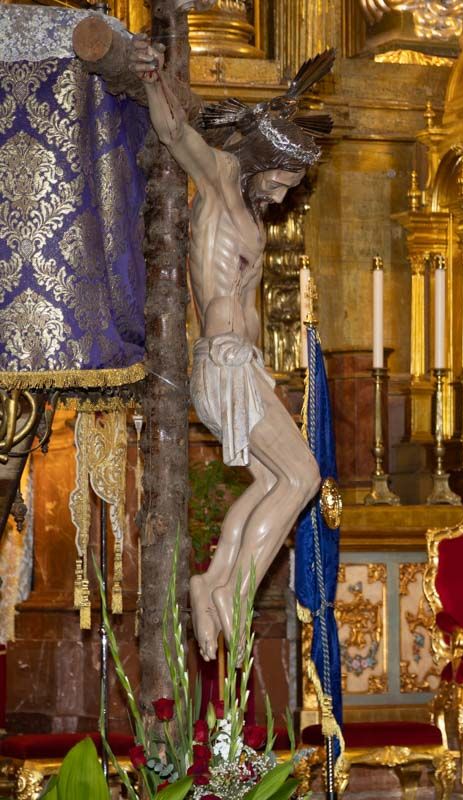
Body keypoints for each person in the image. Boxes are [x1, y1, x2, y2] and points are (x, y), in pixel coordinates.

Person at [131, 36, 331, 660]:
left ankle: (214, 580)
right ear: (262, 157)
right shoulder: (219, 180)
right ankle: (238, 592)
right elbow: (175, 132)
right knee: (303, 476)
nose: (282, 195)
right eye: (281, 179)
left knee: (275, 477)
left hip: (241, 367)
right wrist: (151, 76)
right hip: (223, 362)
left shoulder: (244, 202)